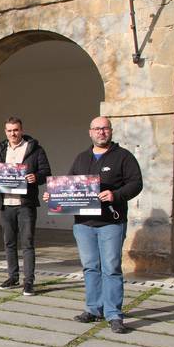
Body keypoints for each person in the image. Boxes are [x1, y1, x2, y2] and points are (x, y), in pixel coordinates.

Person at [45, 116, 142, 333]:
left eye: (105, 128)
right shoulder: (81, 158)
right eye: (97, 129)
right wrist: (54, 196)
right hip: (83, 224)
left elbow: (136, 183)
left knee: (111, 268)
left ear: (111, 131)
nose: (101, 132)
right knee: (90, 267)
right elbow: (68, 185)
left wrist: (116, 194)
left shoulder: (123, 157)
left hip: (111, 222)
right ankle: (93, 308)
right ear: (90, 132)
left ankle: (114, 314)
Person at [0, 117, 51, 296]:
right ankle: (12, 277)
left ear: (21, 130)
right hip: (5, 203)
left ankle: (28, 282)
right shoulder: (0, 148)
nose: (12, 133)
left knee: (27, 243)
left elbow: (46, 173)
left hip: (25, 203)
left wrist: (36, 177)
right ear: (5, 131)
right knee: (9, 242)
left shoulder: (35, 149)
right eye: (9, 130)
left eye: (16, 130)